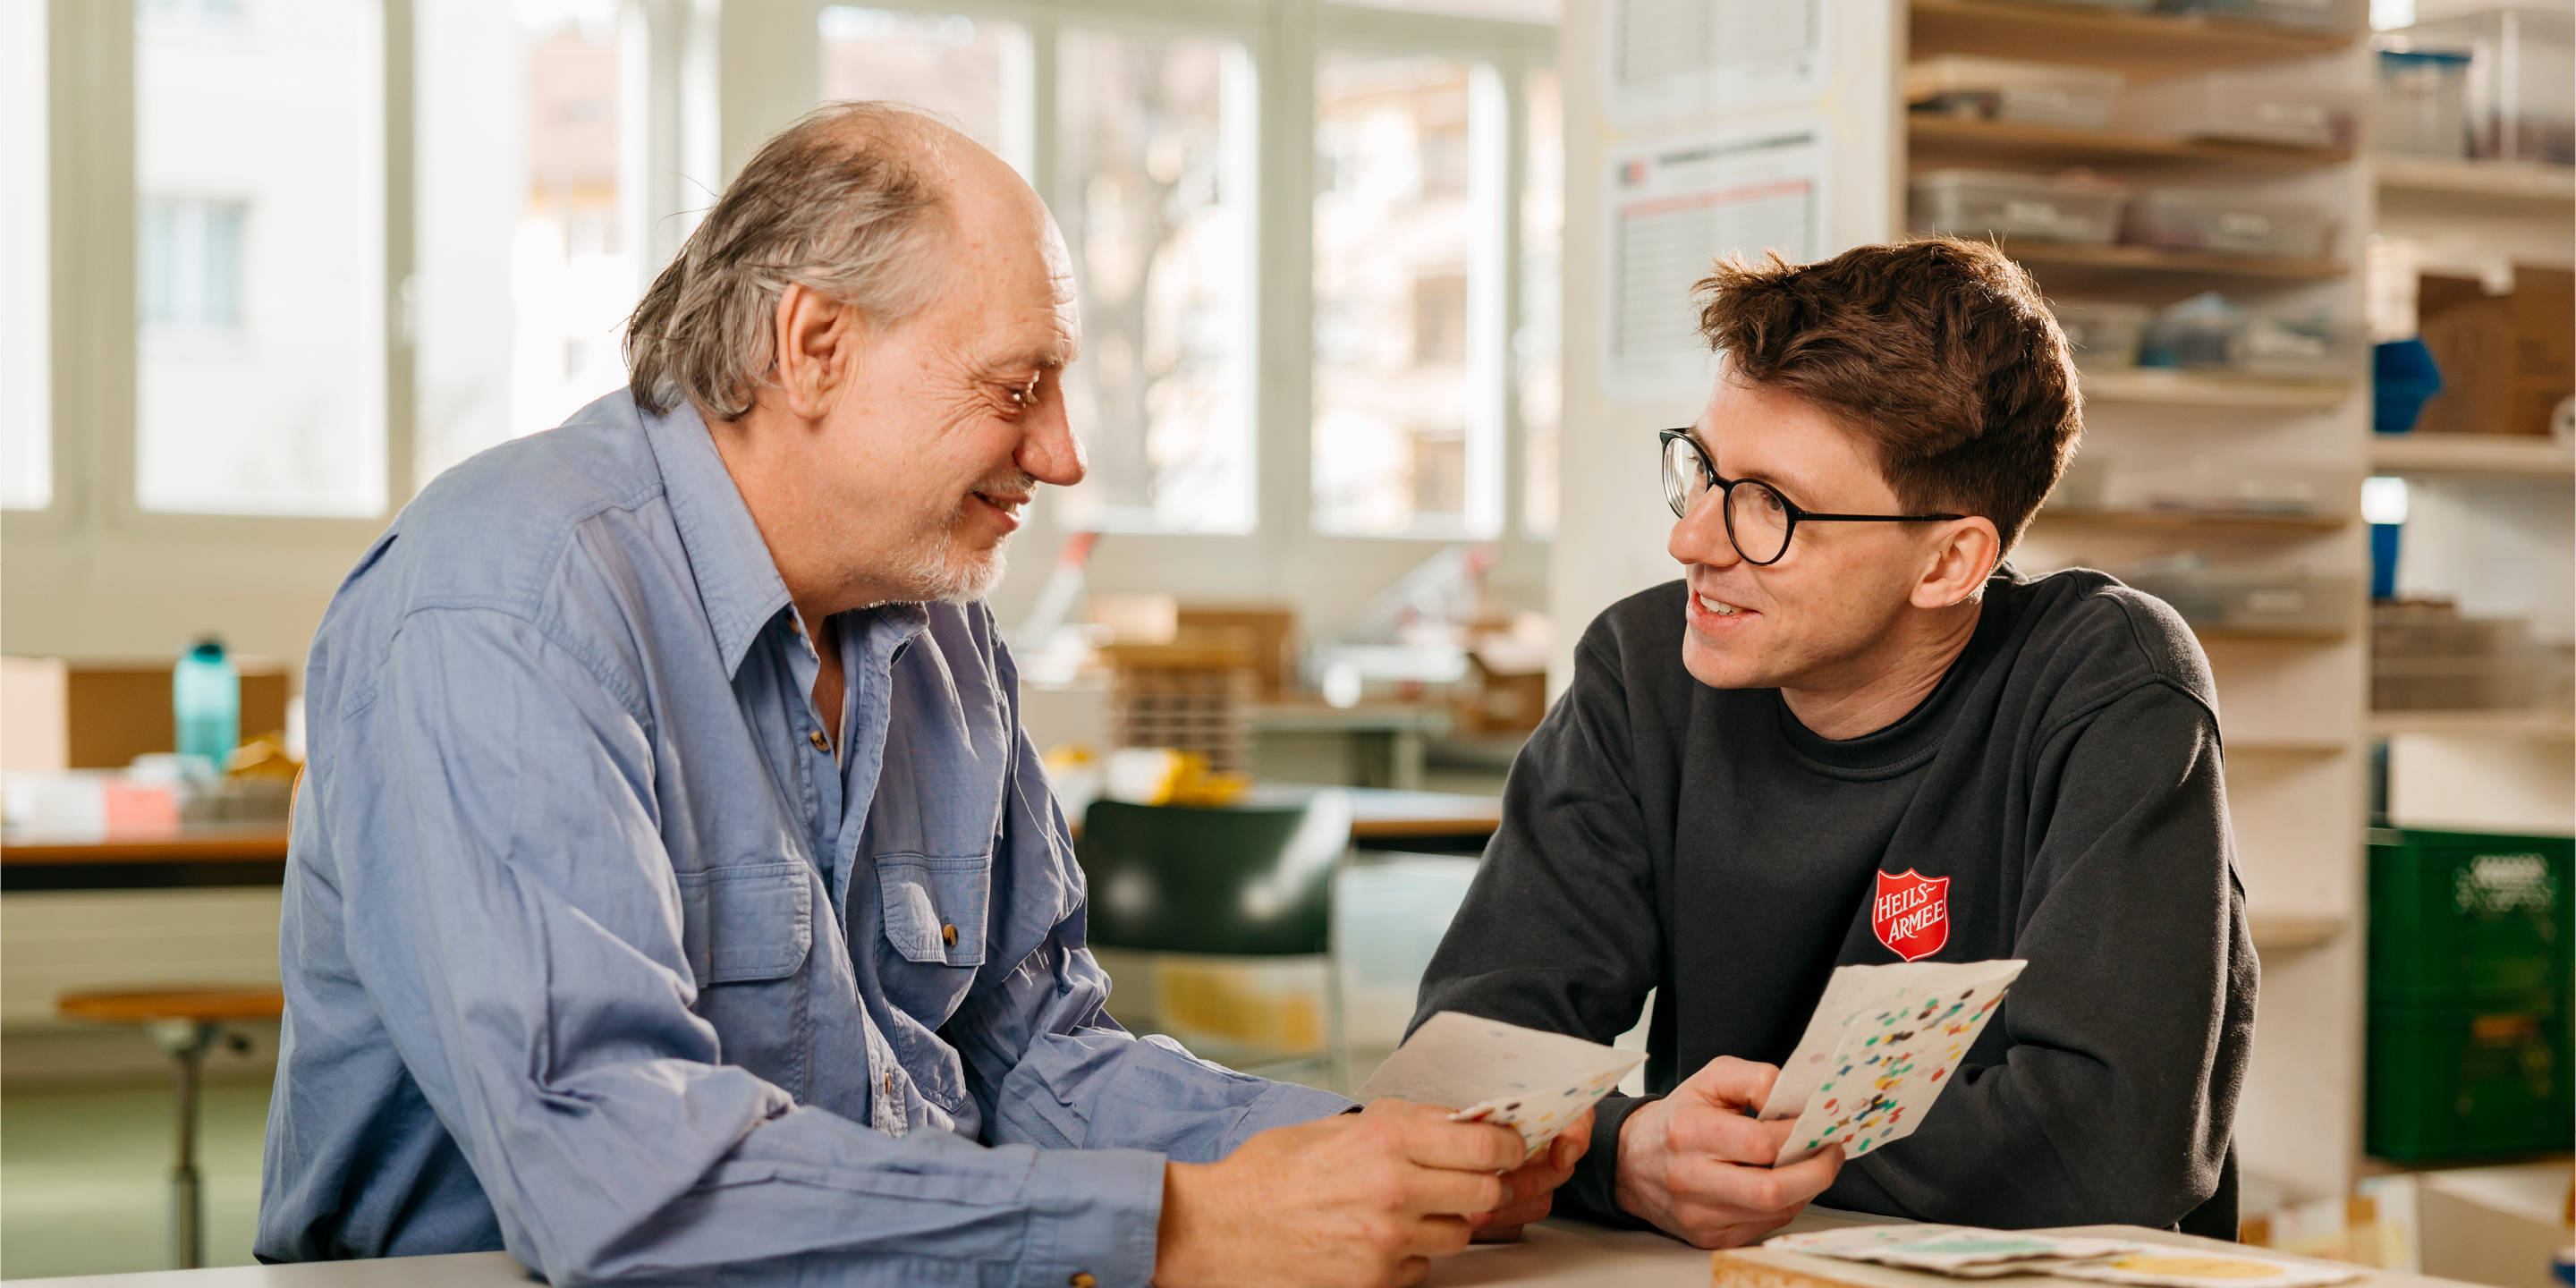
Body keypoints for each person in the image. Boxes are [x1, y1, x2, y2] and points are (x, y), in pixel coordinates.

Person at [258, 103, 1587, 1287]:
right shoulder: (512, 603)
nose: (1062, 456)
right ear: (815, 343)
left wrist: (1373, 1162)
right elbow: (617, 1178)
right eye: (1019, 385)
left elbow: (1035, 1059)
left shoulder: (941, 630)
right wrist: (1179, 1228)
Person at [1411, 238, 2255, 1247]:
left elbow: (2108, 1145)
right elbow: (1461, 1072)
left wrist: (1724, 1153)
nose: (1694, 541)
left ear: (1948, 561)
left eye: (1771, 506)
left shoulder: (2110, 683)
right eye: (1706, 471)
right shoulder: (1643, 671)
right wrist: (1632, 1154)